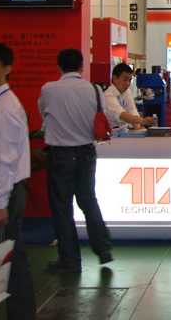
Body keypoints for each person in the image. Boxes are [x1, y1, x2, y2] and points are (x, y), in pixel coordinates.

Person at [38, 48, 113, 272]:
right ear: (82, 66)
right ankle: (103, 249)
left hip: (60, 155)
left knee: (62, 209)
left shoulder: (49, 89)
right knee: (88, 201)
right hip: (87, 153)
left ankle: (70, 260)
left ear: (58, 67)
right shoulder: (94, 89)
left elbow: (43, 114)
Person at [0, 41, 36, 319]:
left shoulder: (2, 108)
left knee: (8, 255)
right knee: (10, 254)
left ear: (7, 69)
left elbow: (4, 159)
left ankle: (22, 313)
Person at [104, 63, 156, 130]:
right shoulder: (108, 95)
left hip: (124, 131)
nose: (128, 83)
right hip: (111, 132)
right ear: (114, 78)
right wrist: (142, 120)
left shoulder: (127, 92)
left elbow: (132, 111)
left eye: (130, 80)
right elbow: (121, 114)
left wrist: (138, 129)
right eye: (125, 80)